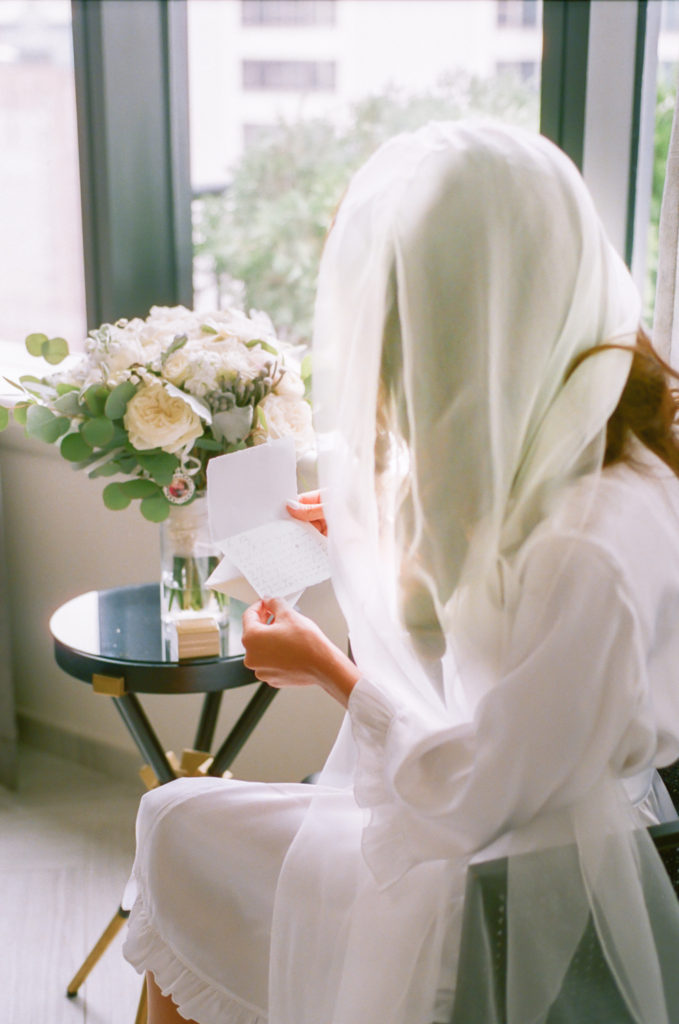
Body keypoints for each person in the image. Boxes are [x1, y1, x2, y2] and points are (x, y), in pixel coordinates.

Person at [123, 121, 679, 1024]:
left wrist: (326, 671)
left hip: (499, 892)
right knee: (187, 827)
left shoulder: (586, 552)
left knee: (178, 822)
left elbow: (472, 794)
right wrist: (357, 526)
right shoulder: (601, 445)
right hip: (518, 837)